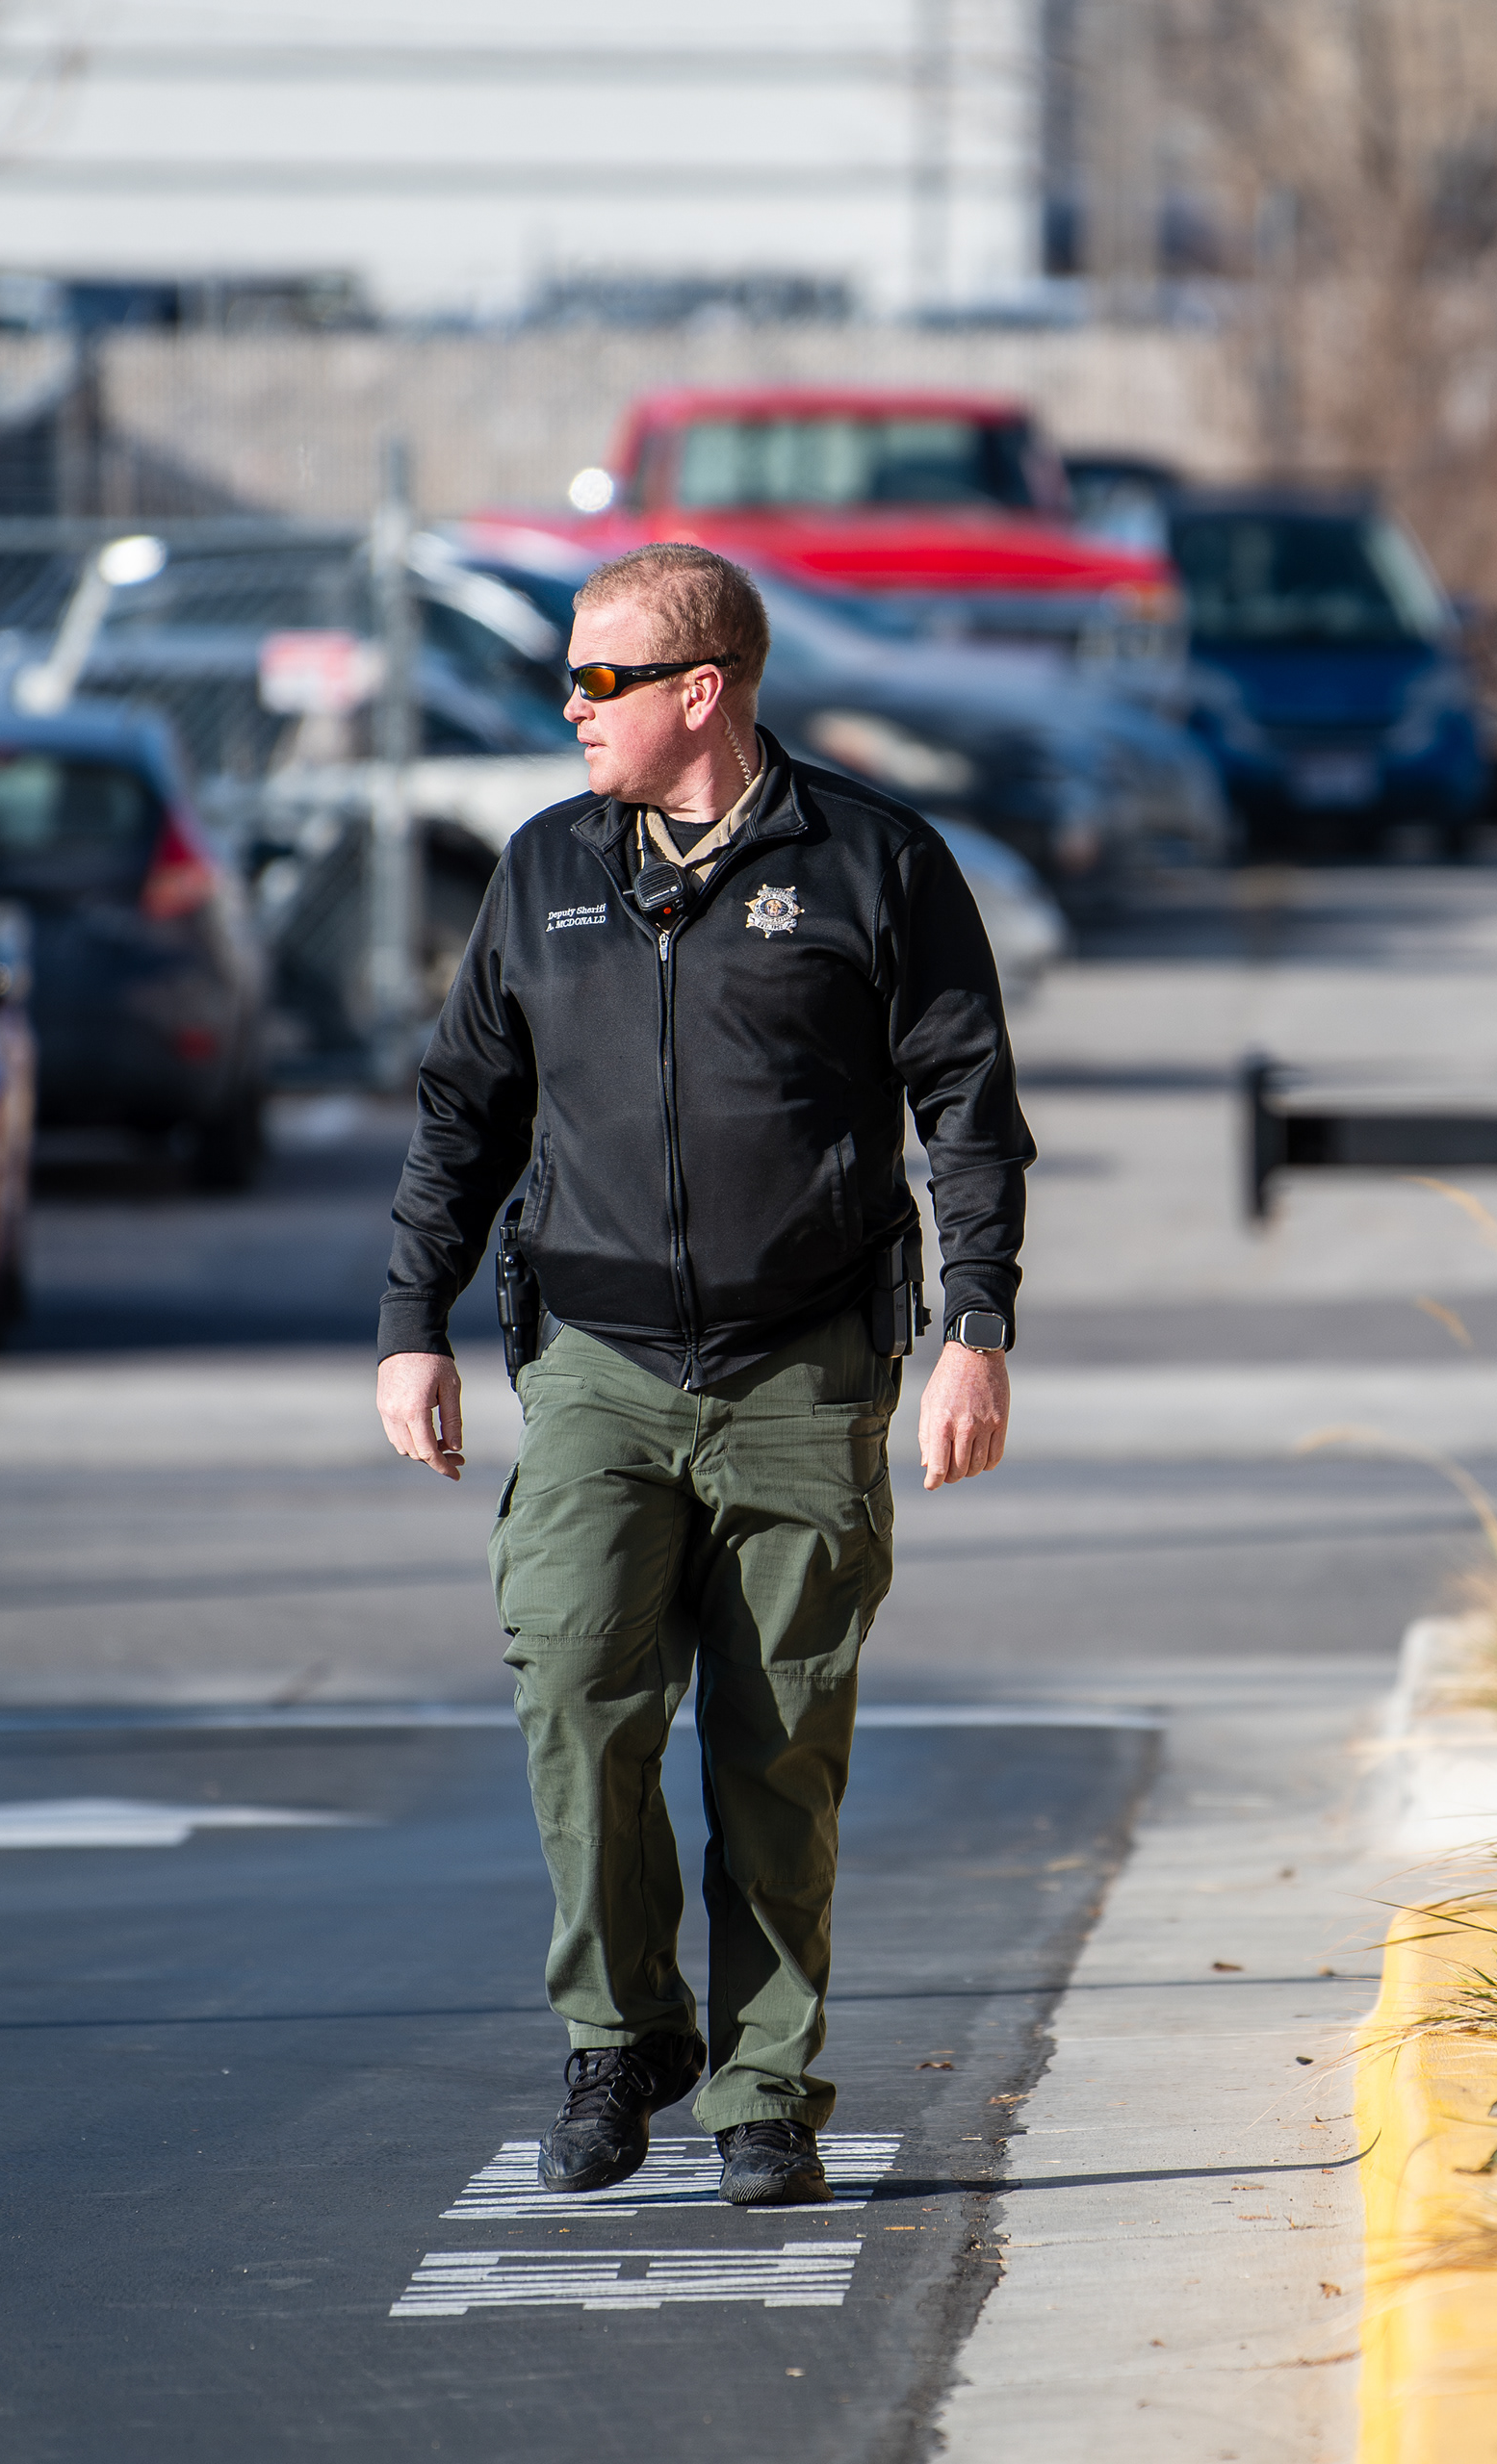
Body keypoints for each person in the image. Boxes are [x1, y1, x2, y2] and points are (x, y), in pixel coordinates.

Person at [373, 540, 1029, 2207]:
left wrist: (976, 1332)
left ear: (700, 692)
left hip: (807, 1370)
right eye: (571, 677)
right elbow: (465, 1115)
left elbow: (966, 1111)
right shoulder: (543, 874)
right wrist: (409, 1323)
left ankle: (763, 2088)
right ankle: (621, 2038)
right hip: (592, 1362)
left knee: (778, 1737)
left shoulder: (876, 862)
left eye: (601, 677)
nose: (570, 706)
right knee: (577, 1685)